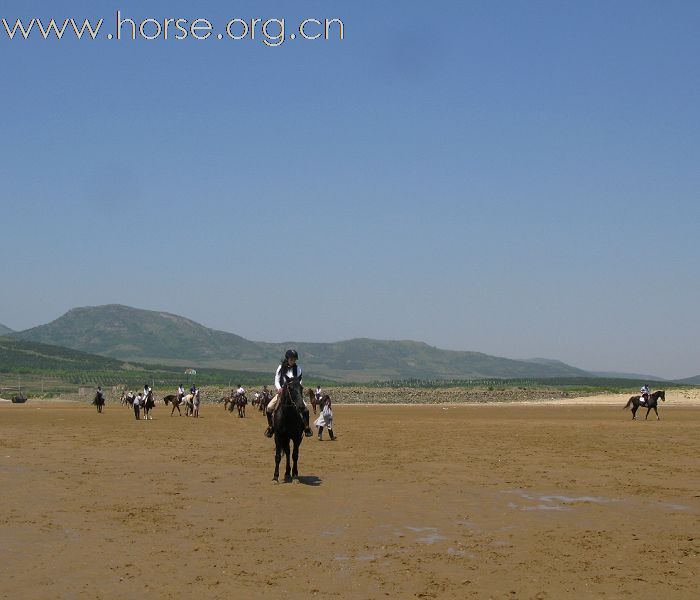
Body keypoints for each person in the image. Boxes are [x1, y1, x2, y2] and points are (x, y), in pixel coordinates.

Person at [265, 349, 313, 438]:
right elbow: (276, 379)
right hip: (282, 393)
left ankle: (307, 428)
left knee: (305, 410)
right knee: (269, 407)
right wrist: (279, 388)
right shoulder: (280, 367)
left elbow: (300, 381)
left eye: (294, 359)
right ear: (287, 358)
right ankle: (271, 427)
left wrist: (297, 388)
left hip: (294, 394)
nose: (293, 361)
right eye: (291, 359)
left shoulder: (298, 368)